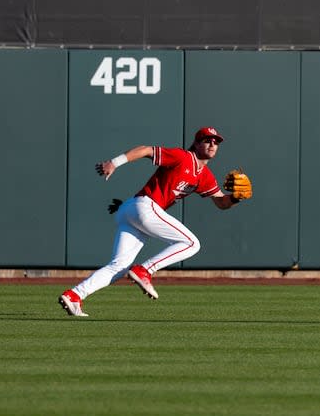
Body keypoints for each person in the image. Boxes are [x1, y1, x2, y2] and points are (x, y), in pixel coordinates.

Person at [58, 127, 249, 317]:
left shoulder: (205, 176)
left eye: (216, 142)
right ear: (197, 143)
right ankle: (145, 270)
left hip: (133, 210)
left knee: (119, 266)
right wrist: (114, 163)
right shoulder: (182, 157)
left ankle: (74, 295)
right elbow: (146, 150)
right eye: (207, 140)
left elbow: (221, 202)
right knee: (192, 243)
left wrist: (236, 198)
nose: (212, 144)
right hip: (145, 207)